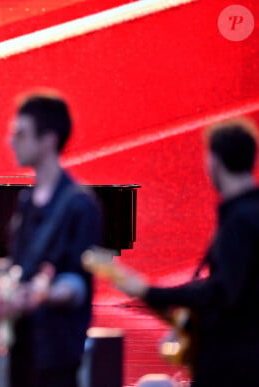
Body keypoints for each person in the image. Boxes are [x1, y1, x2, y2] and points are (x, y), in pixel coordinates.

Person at [111, 117, 259, 386]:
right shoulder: (246, 216)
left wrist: (151, 292)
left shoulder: (238, 221)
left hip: (232, 367)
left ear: (214, 160)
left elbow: (222, 291)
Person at [3, 91, 103, 386]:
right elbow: (21, 266)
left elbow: (77, 283)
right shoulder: (27, 200)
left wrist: (40, 296)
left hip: (57, 349)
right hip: (23, 344)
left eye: (21, 133)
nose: (12, 141)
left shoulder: (79, 204)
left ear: (48, 139)